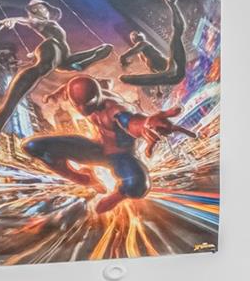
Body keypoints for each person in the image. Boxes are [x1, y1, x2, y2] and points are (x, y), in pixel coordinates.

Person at [21, 75, 192, 215]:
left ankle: (118, 195)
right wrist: (53, 95)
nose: (81, 110)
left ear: (96, 96)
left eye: (86, 104)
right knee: (33, 146)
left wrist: (145, 124)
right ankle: (85, 179)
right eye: (76, 105)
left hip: (120, 156)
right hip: (95, 148)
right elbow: (69, 87)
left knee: (137, 185)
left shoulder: (114, 109)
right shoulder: (81, 91)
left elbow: (130, 121)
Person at [0, 0, 111, 143]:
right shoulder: (36, 21)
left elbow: (66, 57)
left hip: (62, 55)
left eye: (44, 8)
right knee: (42, 69)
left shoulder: (51, 24)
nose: (42, 11)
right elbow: (26, 20)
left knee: (67, 64)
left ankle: (91, 57)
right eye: (37, 8)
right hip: (51, 47)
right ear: (33, 11)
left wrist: (97, 52)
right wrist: (12, 19)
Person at [117, 0, 190, 89]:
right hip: (171, 74)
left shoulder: (143, 44)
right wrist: (158, 90)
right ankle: (172, 3)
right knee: (178, 32)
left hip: (173, 69)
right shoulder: (144, 57)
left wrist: (123, 57)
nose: (134, 35)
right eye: (133, 36)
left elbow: (135, 50)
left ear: (140, 36)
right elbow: (153, 71)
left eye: (135, 34)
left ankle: (172, 3)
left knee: (177, 33)